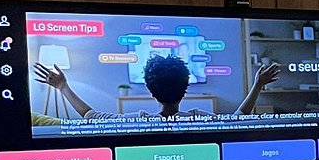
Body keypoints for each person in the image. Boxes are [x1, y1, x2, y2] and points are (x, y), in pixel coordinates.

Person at [33, 54, 281, 119]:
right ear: (185, 88)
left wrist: (63, 87)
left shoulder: (137, 121)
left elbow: (90, 116)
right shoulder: (199, 119)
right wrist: (257, 84)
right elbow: (238, 119)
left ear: (151, 91)